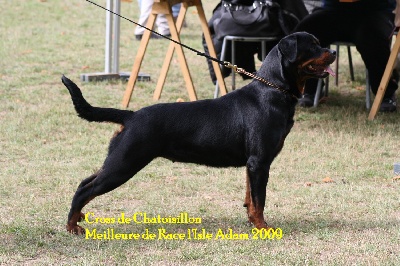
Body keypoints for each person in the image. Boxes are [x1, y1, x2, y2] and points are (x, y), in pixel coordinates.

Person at [294, 0, 398, 112]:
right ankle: (309, 88)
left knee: (373, 38)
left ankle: (386, 93)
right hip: (334, 9)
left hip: (374, 11)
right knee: (305, 33)